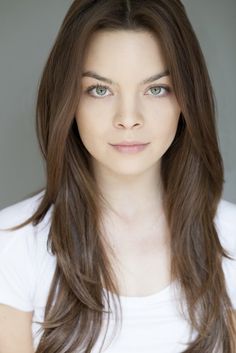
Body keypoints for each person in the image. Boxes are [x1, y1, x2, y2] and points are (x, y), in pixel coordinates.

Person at [0, 0, 235, 352]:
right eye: (100, 90)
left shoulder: (231, 238)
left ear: (187, 100)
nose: (128, 118)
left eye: (156, 89)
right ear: (68, 100)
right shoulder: (12, 244)